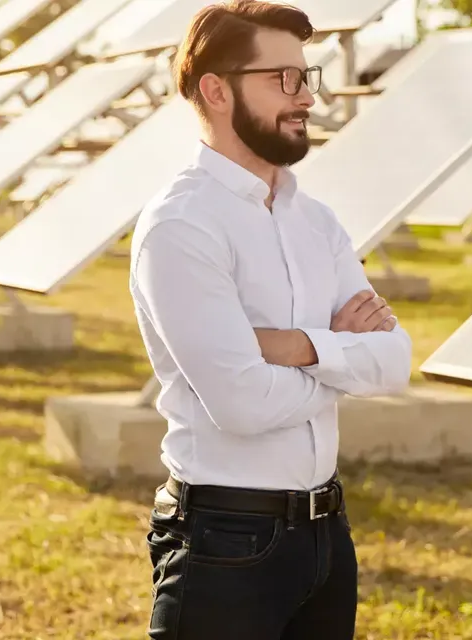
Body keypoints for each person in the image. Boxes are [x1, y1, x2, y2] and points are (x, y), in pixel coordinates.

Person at [127, 2, 412, 638]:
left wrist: (297, 347)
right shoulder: (182, 225)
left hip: (327, 536)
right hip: (223, 543)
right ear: (215, 90)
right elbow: (243, 406)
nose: (305, 96)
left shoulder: (316, 220)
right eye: (283, 78)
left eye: (307, 77)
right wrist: (341, 354)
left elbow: (395, 363)